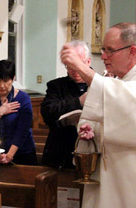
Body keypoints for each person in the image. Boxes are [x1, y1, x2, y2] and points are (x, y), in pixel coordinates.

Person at [61, 22, 136, 208]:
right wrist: (88, 130)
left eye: (110, 50)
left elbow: (126, 103)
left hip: (127, 180)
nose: (103, 56)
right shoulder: (115, 80)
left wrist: (82, 69)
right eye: (103, 49)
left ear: (132, 51)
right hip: (102, 180)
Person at [40, 40, 92, 169]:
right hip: (61, 152)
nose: (74, 70)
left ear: (88, 62)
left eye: (78, 65)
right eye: (69, 66)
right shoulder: (56, 86)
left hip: (92, 153)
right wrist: (78, 102)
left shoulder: (102, 83)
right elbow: (48, 112)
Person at [0, 60, 37, 165]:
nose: (2, 85)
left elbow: (22, 131)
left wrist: (9, 155)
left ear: (13, 78)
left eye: (6, 81)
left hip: (22, 154)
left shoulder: (23, 99)